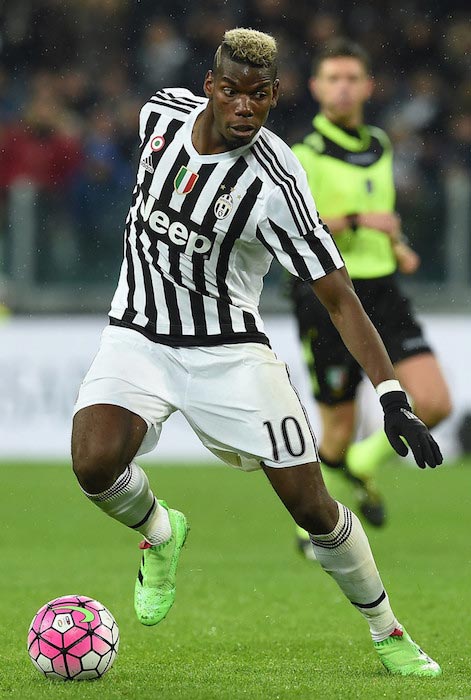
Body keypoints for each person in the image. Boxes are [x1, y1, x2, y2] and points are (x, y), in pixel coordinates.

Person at [71, 28, 443, 678]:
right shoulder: (157, 114)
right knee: (93, 461)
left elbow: (339, 297)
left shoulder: (276, 183)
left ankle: (388, 632)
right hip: (137, 333)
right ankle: (160, 531)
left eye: (261, 96)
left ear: (274, 97)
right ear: (211, 88)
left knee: (311, 507)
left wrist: (390, 397)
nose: (246, 107)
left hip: (228, 354)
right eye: (234, 92)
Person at [289, 39, 451, 556]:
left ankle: (360, 466)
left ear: (367, 86)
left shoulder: (380, 143)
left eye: (351, 78)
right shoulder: (301, 156)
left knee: (434, 401)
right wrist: (358, 223)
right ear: (316, 87)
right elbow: (296, 228)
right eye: (332, 78)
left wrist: (397, 244)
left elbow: (380, 210)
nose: (342, 87)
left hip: (381, 287)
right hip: (327, 291)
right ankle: (315, 521)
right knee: (334, 427)